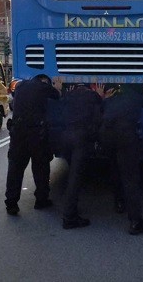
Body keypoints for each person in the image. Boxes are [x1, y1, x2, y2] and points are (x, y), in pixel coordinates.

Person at [99, 84, 143, 235]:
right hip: (126, 137)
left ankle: (119, 203)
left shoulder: (111, 100)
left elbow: (102, 106)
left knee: (114, 169)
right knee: (130, 178)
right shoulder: (136, 98)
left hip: (106, 137)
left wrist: (103, 96)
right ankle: (136, 222)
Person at [4, 73, 62, 215]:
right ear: (43, 80)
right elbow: (57, 96)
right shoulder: (43, 86)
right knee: (41, 167)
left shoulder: (21, 85)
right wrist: (58, 87)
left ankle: (11, 203)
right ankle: (41, 200)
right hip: (36, 135)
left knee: (15, 169)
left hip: (17, 134)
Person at [60, 83, 103, 229]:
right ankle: (69, 217)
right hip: (81, 139)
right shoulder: (92, 96)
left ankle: (70, 210)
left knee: (72, 174)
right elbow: (97, 119)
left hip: (65, 138)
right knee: (75, 179)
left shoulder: (69, 95)